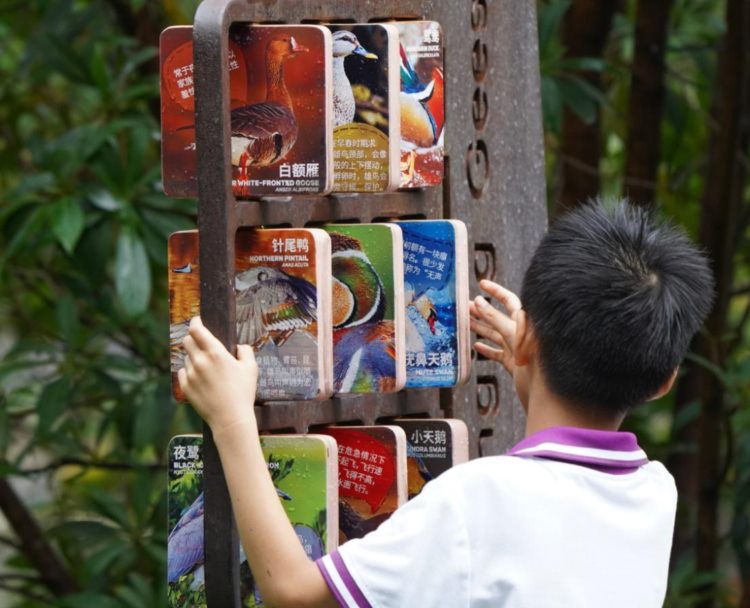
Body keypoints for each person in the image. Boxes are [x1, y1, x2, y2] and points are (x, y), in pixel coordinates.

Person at [178, 199, 714, 607]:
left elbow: (294, 593)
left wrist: (232, 420)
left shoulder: (478, 498)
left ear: (526, 338)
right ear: (664, 382)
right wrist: (532, 354)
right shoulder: (653, 496)